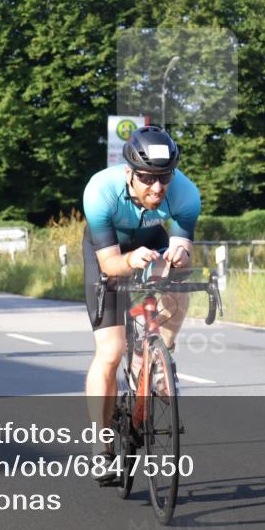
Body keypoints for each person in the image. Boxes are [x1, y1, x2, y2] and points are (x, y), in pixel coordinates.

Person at [81, 126, 200, 480]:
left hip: (152, 240)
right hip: (108, 251)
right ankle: (100, 446)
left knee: (179, 283)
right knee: (110, 352)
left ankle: (158, 355)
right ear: (130, 173)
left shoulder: (185, 194)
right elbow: (110, 265)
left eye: (164, 178)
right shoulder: (100, 191)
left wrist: (177, 259)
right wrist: (130, 261)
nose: (157, 188)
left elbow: (184, 249)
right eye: (148, 178)